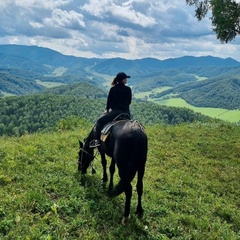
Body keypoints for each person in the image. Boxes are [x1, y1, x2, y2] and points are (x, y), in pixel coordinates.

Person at [90, 72, 132, 147]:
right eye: (125, 78)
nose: (126, 80)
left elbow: (109, 101)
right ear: (122, 80)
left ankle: (96, 140)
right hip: (126, 113)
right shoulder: (128, 89)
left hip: (116, 112)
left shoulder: (113, 89)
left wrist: (107, 109)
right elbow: (129, 102)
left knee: (99, 121)